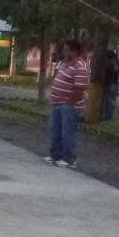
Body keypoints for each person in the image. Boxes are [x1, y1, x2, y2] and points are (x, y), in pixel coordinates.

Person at [45, 40, 89, 168]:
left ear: (74, 51)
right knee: (55, 130)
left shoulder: (80, 67)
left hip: (70, 106)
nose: (64, 52)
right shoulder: (64, 63)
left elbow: (80, 88)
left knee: (67, 133)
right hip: (58, 104)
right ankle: (55, 155)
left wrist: (70, 102)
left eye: (67, 49)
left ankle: (69, 158)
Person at [102, 50, 119, 121]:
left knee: (106, 100)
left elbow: (110, 71)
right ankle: (109, 115)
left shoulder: (109, 65)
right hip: (115, 84)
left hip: (108, 84)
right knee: (111, 101)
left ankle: (106, 116)